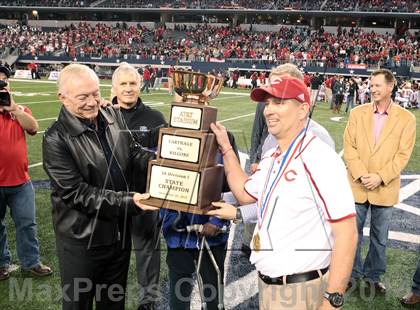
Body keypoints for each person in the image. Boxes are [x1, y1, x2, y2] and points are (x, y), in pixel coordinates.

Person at [208, 77, 357, 309]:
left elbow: (347, 233)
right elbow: (244, 193)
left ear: (303, 110)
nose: (268, 110)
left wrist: (332, 300)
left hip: (301, 290)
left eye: (279, 103)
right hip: (269, 286)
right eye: (267, 103)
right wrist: (226, 148)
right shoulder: (272, 156)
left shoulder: (319, 157)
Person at [42, 63, 156, 310]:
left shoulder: (111, 115)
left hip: (117, 236)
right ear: (62, 98)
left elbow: (133, 153)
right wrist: (129, 202)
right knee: (78, 305)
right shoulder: (55, 138)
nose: (92, 102)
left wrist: (161, 163)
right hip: (82, 241)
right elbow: (77, 194)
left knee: (114, 303)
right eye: (82, 97)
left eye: (95, 93)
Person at [343, 68, 416, 294]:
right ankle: (351, 275)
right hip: (357, 184)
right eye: (371, 85)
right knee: (351, 235)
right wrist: (362, 174)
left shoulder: (407, 118)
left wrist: (380, 177)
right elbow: (349, 147)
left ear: (390, 87)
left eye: (377, 85)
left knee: (379, 238)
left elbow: (403, 155)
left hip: (385, 187)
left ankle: (373, 277)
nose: (372, 89)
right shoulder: (357, 113)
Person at [162, 132, 239, 310]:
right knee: (178, 298)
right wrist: (171, 221)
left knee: (213, 299)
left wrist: (216, 221)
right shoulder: (168, 135)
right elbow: (159, 181)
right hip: (178, 237)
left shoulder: (224, 136)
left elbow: (233, 184)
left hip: (212, 239)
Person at [111, 62, 166, 310]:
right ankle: (112, 295)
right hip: (112, 197)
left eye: (133, 83)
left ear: (140, 85)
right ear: (114, 87)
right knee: (113, 252)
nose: (128, 88)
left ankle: (149, 299)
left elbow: (163, 160)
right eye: (123, 83)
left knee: (147, 251)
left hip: (145, 196)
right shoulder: (103, 115)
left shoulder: (155, 118)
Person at [0, 65, 52, 281]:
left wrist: (14, 110)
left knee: (27, 224)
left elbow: (33, 128)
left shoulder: (20, 109)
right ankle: (1, 264)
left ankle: (31, 262)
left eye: (4, 81)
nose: (1, 85)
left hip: (21, 182)